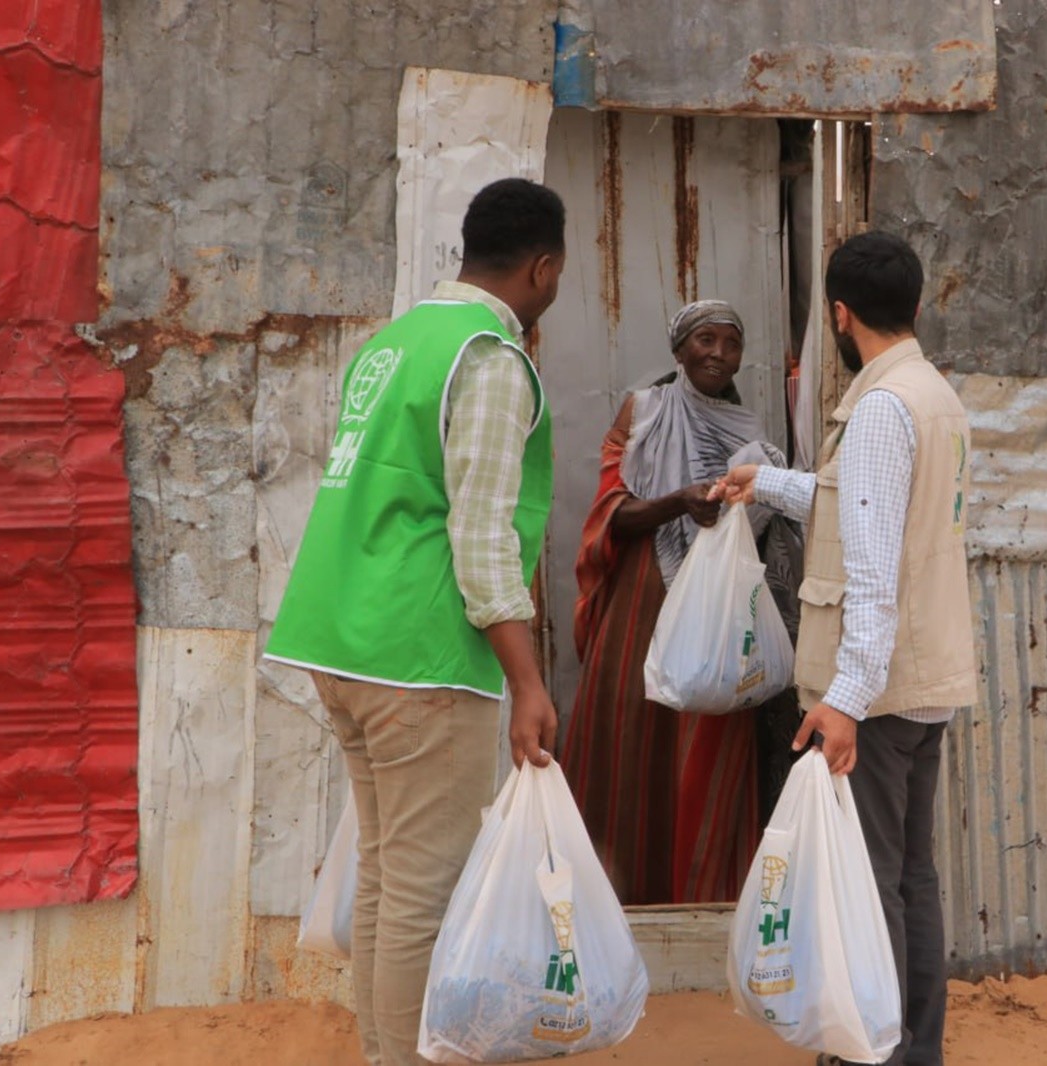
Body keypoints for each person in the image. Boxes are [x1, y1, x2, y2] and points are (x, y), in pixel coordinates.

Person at [264, 178, 565, 1066]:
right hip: (423, 659)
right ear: (543, 268)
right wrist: (528, 681)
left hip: (342, 644)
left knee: (391, 881)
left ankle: (383, 1053)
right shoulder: (489, 360)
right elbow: (479, 539)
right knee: (420, 898)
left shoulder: (390, 346)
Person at [715, 232, 976, 1066]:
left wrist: (846, 702)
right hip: (924, 679)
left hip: (880, 692)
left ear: (839, 314)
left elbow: (870, 565)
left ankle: (879, 1051)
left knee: (873, 885)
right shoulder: (931, 394)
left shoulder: (878, 410)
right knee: (910, 878)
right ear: (917, 305)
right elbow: (863, 504)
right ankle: (914, 1048)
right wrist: (774, 484)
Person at [560, 299, 801, 905]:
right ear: (678, 350)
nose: (718, 353)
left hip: (716, 616)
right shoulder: (644, 411)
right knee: (633, 751)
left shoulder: (748, 434)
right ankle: (612, 902)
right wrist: (678, 502)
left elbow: (768, 534)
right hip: (641, 605)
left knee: (704, 745)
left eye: (731, 343)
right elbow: (610, 514)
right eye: (705, 340)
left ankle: (701, 901)